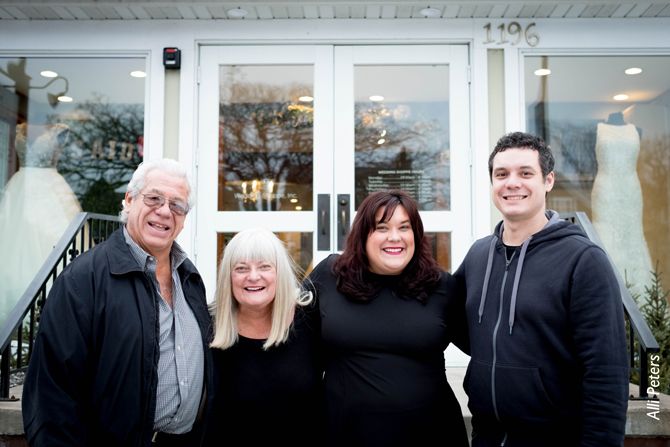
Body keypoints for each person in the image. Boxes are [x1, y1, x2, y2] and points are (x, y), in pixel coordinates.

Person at [22, 158, 214, 447]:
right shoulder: (84, 280)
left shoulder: (189, 278)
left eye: (177, 205)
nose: (164, 211)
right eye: (154, 198)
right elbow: (52, 397)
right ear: (129, 199)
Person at [454, 131, 629, 446]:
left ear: (548, 181)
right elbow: (450, 321)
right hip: (487, 438)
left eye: (525, 173)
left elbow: (606, 373)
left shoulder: (583, 260)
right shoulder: (479, 255)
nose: (512, 183)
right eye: (501, 174)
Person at [307, 190, 468, 447]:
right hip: (345, 433)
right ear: (362, 235)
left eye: (404, 227)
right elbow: (293, 339)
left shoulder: (441, 286)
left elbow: (485, 347)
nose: (395, 237)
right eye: (382, 227)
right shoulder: (330, 275)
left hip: (431, 433)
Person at [204, 228, 322, 446]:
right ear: (228, 277)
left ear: (280, 273)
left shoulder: (311, 318)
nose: (253, 276)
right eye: (241, 268)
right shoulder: (207, 325)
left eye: (265, 267)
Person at [0, 123, 82, 327]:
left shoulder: (60, 129)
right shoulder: (19, 128)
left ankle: (46, 319)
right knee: (12, 245)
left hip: (50, 192)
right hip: (20, 190)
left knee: (52, 246)